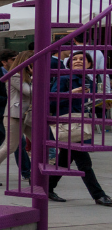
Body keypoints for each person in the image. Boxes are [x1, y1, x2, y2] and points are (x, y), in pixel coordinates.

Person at [48, 52, 112, 206]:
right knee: (84, 163)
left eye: (82, 59)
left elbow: (86, 105)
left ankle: (47, 187)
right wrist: (71, 93)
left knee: (64, 160)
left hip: (80, 124)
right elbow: (50, 101)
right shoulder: (64, 78)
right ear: (68, 64)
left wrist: (102, 105)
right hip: (68, 124)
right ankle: (98, 195)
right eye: (74, 59)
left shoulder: (89, 81)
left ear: (90, 64)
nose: (77, 61)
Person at [0, 51, 35, 186]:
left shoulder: (28, 77)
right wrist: (35, 75)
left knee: (39, 143)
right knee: (10, 147)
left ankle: (34, 174)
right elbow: (29, 91)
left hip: (28, 116)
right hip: (15, 115)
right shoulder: (14, 76)